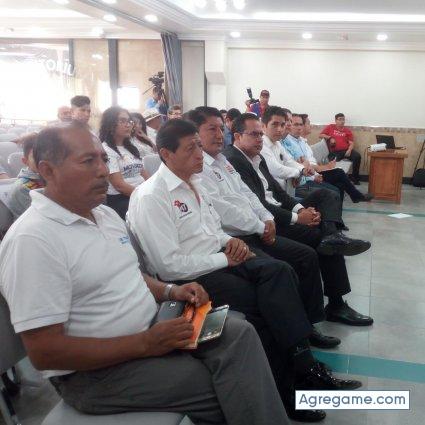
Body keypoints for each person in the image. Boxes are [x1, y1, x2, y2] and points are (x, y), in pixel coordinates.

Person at [0, 125, 289, 425]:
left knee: (239, 334)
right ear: (48, 170)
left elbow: (129, 273)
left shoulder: (103, 215)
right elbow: (45, 353)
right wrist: (146, 343)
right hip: (97, 373)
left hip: (153, 327)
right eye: (88, 161)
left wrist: (170, 291)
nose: (103, 170)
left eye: (104, 159)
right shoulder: (33, 240)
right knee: (230, 386)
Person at [128, 118, 364, 422]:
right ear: (166, 154)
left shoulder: (193, 183)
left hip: (220, 256)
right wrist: (226, 258)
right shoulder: (152, 196)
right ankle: (291, 388)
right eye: (190, 149)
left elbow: (213, 228)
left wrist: (229, 242)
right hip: (192, 279)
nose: (199, 154)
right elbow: (168, 265)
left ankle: (304, 365)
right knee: (268, 310)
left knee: (280, 271)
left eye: (199, 146)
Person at [187, 106, 341, 350]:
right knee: (291, 264)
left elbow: (250, 195)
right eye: (211, 129)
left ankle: (315, 319)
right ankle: (300, 339)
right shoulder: (206, 167)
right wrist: (266, 224)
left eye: (220, 129)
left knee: (313, 244)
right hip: (237, 237)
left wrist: (269, 219)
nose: (219, 134)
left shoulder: (223, 161)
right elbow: (223, 212)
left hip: (258, 226)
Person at [224, 113, 374, 327]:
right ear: (237, 136)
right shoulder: (234, 160)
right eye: (254, 134)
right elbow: (258, 204)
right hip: (266, 222)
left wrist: (302, 209)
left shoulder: (256, 157)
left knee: (326, 204)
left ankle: (332, 237)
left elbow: (278, 192)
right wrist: (297, 218)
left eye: (259, 134)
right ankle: (330, 307)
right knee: (319, 240)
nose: (259, 138)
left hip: (277, 210)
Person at [284, 113, 373, 203]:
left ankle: (353, 195)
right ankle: (356, 196)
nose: (300, 127)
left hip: (313, 173)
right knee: (339, 174)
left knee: (341, 182)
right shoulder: (290, 143)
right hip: (307, 177)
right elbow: (305, 165)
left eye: (300, 124)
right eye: (296, 124)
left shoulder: (301, 141)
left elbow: (309, 163)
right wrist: (324, 168)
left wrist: (323, 168)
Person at [100, 107, 145, 219]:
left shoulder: (131, 148)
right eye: (122, 121)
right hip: (121, 198)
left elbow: (144, 173)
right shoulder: (106, 150)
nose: (128, 125)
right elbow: (119, 185)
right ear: (110, 125)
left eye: (129, 121)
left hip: (141, 192)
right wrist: (145, 196)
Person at [7, 134, 43, 219]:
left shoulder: (54, 178)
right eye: (36, 157)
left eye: (49, 155)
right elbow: (40, 218)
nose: (43, 160)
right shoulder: (23, 189)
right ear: (25, 161)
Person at [319, 113, 362, 185]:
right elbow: (320, 135)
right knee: (333, 161)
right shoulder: (330, 127)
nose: (342, 121)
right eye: (340, 119)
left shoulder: (347, 131)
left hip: (346, 150)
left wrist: (349, 150)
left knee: (357, 156)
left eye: (343, 119)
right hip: (335, 151)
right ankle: (334, 179)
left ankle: (355, 178)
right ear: (336, 120)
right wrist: (330, 138)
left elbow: (351, 143)